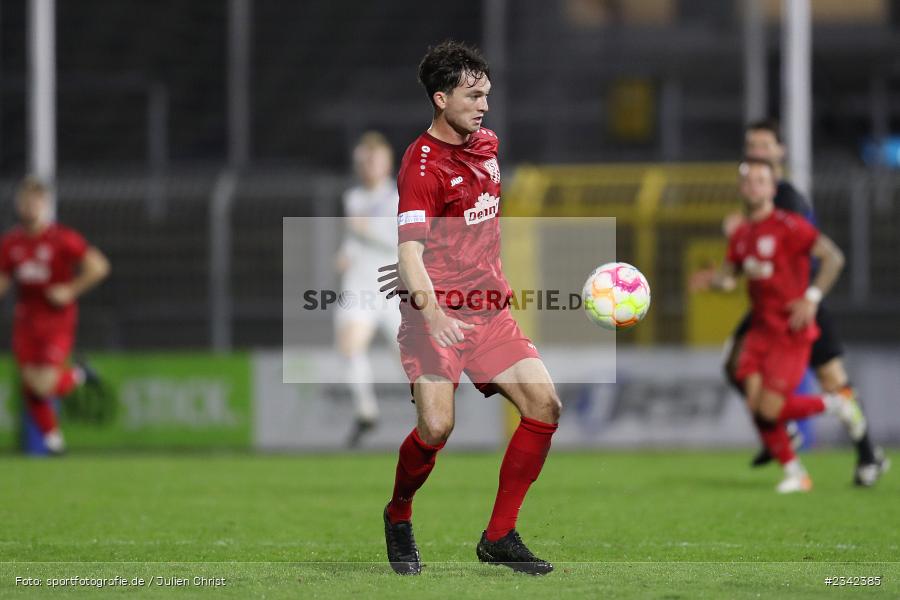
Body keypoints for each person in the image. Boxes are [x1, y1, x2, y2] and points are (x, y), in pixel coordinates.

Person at [382, 40, 561, 576]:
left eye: (487, 94)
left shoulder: (487, 145)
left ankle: (500, 535)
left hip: (490, 311)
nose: (484, 105)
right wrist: (433, 312)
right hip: (434, 318)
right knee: (436, 429)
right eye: (473, 95)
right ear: (441, 98)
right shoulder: (421, 165)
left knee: (545, 407)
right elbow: (408, 251)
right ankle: (398, 512)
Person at [692, 158, 877, 493]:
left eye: (760, 180)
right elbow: (731, 279)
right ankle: (796, 473)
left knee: (770, 407)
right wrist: (713, 281)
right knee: (755, 404)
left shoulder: (790, 226)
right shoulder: (742, 235)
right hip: (760, 330)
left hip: (790, 332)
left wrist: (812, 296)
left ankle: (838, 404)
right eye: (748, 180)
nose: (753, 186)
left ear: (772, 188)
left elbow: (834, 257)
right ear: (741, 188)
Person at [0, 176, 110, 454]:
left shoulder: (62, 239)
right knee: (31, 383)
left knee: (44, 382)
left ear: (46, 205)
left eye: (35, 201)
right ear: (18, 204)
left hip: (56, 319)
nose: (30, 207)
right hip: (26, 318)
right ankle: (53, 441)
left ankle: (80, 375)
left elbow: (98, 266)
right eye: (25, 201)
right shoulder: (11, 242)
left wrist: (70, 290)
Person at [334, 131, 402, 447]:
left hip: (391, 287)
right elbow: (354, 236)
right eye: (362, 161)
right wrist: (346, 251)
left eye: (373, 160)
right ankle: (366, 411)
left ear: (386, 163)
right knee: (350, 345)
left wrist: (367, 230)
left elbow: (401, 242)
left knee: (407, 360)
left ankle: (434, 412)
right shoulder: (353, 198)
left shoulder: (398, 199)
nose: (367, 166)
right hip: (359, 286)